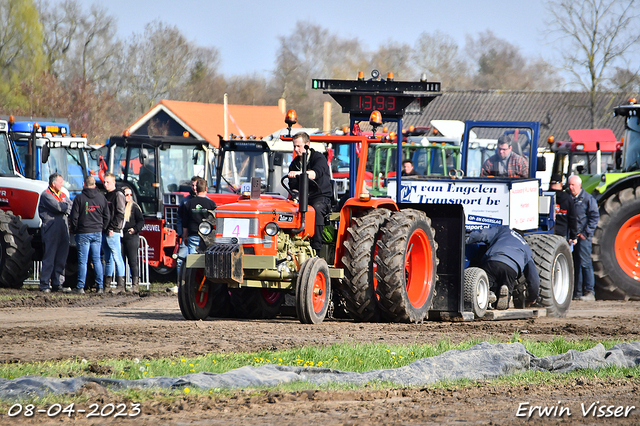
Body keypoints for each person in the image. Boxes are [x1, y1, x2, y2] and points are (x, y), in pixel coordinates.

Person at [466, 225, 540, 310]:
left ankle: (489, 294)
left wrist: (467, 239)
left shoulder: (504, 230)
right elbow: (533, 278)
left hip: (494, 261)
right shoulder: (526, 248)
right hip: (512, 269)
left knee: (485, 283)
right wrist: (532, 298)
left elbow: (483, 234)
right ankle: (505, 294)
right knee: (506, 291)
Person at [287, 131, 333, 252]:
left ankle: (316, 248)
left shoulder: (318, 158)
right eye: (294, 146)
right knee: (290, 209)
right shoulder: (294, 164)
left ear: (307, 145)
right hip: (303, 197)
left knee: (316, 210)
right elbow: (293, 187)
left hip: (320, 196)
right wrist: (295, 195)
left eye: (299, 146)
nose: (296, 149)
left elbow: (314, 174)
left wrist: (298, 174)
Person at [69, 176, 109, 294]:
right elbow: (107, 216)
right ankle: (100, 286)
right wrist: (102, 228)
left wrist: (76, 230)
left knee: (83, 261)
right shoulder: (102, 198)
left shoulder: (79, 198)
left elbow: (74, 217)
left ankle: (80, 287)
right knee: (97, 260)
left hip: (83, 232)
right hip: (97, 232)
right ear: (95, 185)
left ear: (83, 184)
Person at [38, 173, 72, 293]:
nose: (62, 184)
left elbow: (70, 206)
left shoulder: (62, 194)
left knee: (61, 258)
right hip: (51, 230)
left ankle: (58, 283)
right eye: (60, 182)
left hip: (63, 229)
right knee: (49, 257)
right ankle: (44, 284)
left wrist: (65, 206)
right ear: (53, 183)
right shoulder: (46, 195)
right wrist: (65, 207)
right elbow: (58, 207)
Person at [567, 175, 599, 301]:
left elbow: (594, 217)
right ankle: (577, 292)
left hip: (584, 237)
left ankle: (589, 291)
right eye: (569, 185)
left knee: (585, 263)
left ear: (579, 186)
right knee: (576, 264)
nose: (570, 187)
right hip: (573, 237)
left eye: (573, 185)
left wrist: (584, 234)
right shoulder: (569, 199)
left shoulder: (587, 199)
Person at [102, 172, 126, 294]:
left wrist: (112, 227)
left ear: (114, 182)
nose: (105, 184)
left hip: (113, 231)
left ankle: (121, 285)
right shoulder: (107, 195)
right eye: (104, 182)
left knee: (117, 257)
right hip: (106, 230)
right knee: (108, 258)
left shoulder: (118, 195)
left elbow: (120, 214)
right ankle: (107, 285)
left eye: (108, 182)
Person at [180, 177, 216, 257]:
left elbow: (184, 222)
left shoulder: (188, 204)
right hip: (207, 237)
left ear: (197, 189)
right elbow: (214, 221)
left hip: (193, 235)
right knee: (207, 260)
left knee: (192, 261)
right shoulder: (211, 204)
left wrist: (185, 236)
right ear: (206, 189)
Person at [122, 188, 145, 293]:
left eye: (130, 194)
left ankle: (135, 284)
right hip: (121, 236)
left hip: (131, 236)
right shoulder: (119, 206)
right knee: (121, 261)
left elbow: (141, 221)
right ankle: (121, 284)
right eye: (126, 194)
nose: (129, 196)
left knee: (133, 261)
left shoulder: (135, 207)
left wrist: (135, 229)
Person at [175, 176, 199, 278]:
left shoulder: (206, 201)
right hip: (186, 236)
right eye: (192, 185)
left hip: (200, 236)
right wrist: (181, 233)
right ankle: (181, 284)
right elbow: (179, 218)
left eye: (196, 185)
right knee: (181, 259)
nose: (194, 188)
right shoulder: (185, 201)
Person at [549, 176, 578, 242]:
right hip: (562, 233)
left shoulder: (545, 196)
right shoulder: (567, 198)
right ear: (561, 184)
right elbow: (572, 218)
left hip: (548, 233)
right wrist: (573, 236)